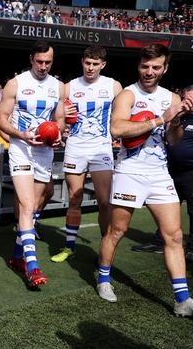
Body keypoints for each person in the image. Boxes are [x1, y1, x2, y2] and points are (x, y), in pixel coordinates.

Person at [96, 44, 193, 318]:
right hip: (130, 170)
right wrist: (159, 119)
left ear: (164, 69)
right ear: (139, 66)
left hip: (159, 173)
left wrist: (175, 121)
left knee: (174, 236)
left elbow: (173, 142)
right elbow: (117, 128)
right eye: (144, 66)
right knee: (117, 231)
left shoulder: (173, 99)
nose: (148, 72)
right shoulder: (128, 94)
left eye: (155, 67)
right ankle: (103, 278)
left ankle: (182, 300)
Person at [131, 85, 193, 264]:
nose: (189, 102)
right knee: (166, 208)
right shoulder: (178, 115)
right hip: (171, 170)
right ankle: (159, 242)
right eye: (186, 98)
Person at [0, 40, 65, 287]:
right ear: (31, 59)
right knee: (26, 205)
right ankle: (32, 266)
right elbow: (1, 118)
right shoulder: (16, 84)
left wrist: (57, 133)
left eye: (48, 62)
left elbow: (59, 120)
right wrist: (22, 135)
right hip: (21, 148)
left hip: (44, 152)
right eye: (39, 61)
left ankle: (16, 255)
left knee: (34, 206)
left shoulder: (58, 87)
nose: (44, 66)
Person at [51, 45, 122, 263]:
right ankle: (69, 246)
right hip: (76, 147)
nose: (90, 68)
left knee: (104, 201)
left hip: (101, 148)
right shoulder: (69, 87)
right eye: (87, 63)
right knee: (74, 199)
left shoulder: (114, 86)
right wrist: (62, 119)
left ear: (103, 65)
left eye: (95, 64)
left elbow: (123, 114)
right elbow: (58, 116)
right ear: (82, 62)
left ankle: (105, 245)